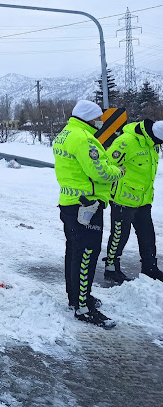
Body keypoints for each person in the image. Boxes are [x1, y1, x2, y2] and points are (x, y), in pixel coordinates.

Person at [53, 99, 124, 328]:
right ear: (88, 118)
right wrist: (118, 171)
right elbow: (99, 171)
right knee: (86, 255)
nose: (100, 122)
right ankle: (83, 308)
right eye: (98, 119)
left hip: (70, 203)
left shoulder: (66, 134)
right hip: (87, 205)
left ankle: (76, 298)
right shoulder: (84, 139)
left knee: (74, 252)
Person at [102, 119, 163, 283]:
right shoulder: (126, 142)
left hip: (144, 200)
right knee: (119, 236)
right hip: (123, 199)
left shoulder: (152, 144)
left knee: (148, 235)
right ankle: (111, 268)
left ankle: (150, 267)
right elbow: (107, 165)